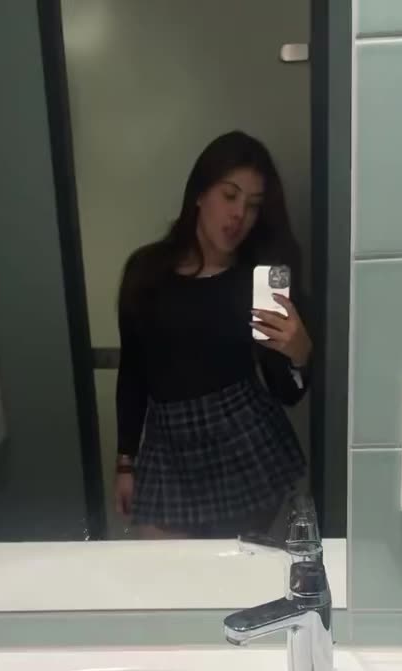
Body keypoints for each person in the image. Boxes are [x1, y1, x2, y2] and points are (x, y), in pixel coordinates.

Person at [115, 130, 312, 538]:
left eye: (253, 205)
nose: (239, 214)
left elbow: (286, 392)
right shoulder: (146, 271)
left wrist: (299, 355)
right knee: (162, 568)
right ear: (200, 194)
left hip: (244, 445)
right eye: (230, 195)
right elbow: (133, 371)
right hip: (168, 447)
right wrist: (125, 462)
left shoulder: (255, 280)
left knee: (233, 568)